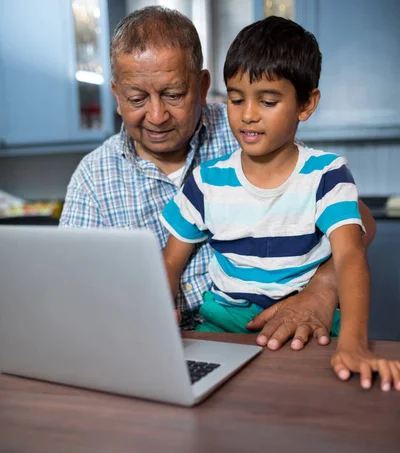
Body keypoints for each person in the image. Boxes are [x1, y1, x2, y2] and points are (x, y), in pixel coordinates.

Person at [60, 6, 376, 357]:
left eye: (173, 95)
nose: (156, 116)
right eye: (136, 98)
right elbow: (71, 294)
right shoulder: (93, 178)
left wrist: (323, 287)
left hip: (276, 334)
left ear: (203, 85)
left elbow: (359, 224)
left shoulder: (249, 132)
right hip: (159, 346)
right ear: (117, 96)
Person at [161, 16, 399, 391]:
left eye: (268, 101)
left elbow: (351, 257)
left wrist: (354, 345)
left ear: (306, 104)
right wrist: (157, 312)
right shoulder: (206, 182)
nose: (248, 113)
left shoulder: (326, 176)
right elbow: (171, 260)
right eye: (236, 99)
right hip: (220, 326)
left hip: (306, 327)